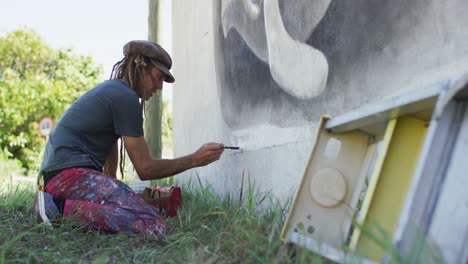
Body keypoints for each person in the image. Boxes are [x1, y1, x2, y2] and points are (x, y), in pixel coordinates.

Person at [34, 40, 225, 235]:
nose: (159, 87)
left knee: (128, 203)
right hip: (67, 177)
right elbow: (145, 168)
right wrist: (194, 159)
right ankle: (56, 210)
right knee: (151, 223)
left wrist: (114, 187)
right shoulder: (125, 97)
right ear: (140, 68)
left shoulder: (114, 91)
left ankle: (56, 205)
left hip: (55, 179)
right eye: (158, 77)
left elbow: (110, 144)